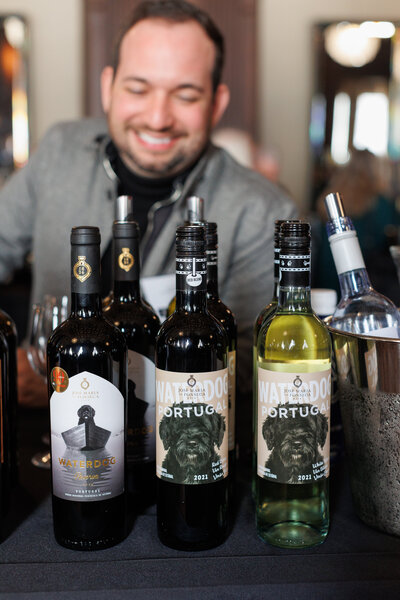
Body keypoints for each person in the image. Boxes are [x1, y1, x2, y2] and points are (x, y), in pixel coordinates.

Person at [0, 0, 296, 418]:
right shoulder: (58, 151)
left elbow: (248, 367)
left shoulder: (263, 211)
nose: (158, 118)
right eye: (138, 89)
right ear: (108, 87)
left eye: (186, 95)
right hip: (44, 438)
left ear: (216, 102)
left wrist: (92, 379)